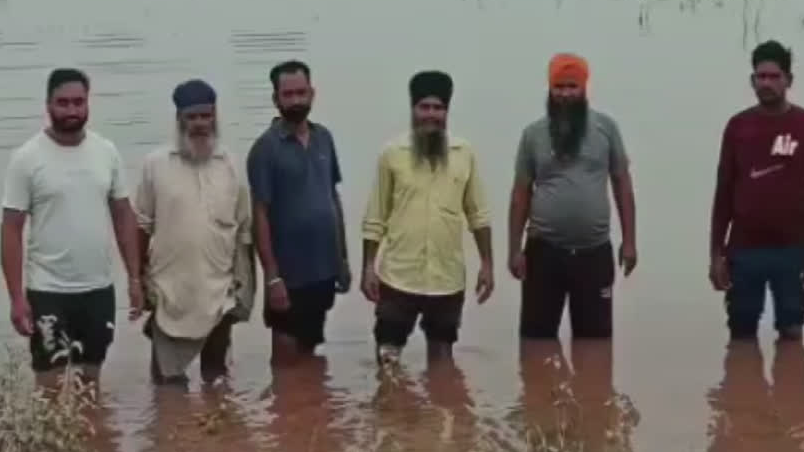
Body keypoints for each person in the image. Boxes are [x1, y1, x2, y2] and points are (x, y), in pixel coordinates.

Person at [0, 68, 142, 376]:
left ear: (88, 103)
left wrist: (134, 278)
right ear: (48, 105)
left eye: (79, 102)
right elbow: (11, 229)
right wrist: (16, 298)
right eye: (63, 103)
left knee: (91, 384)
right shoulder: (27, 158)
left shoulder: (106, 152)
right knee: (50, 389)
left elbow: (123, 215)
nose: (72, 110)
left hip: (98, 289)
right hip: (47, 290)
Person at [360, 70, 494, 365]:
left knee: (443, 359)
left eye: (438, 108)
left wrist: (487, 264)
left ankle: (439, 408)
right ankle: (390, 410)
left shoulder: (464, 153)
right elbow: (375, 216)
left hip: (446, 280)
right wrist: (368, 267)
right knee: (388, 358)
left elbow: (478, 215)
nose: (431, 115)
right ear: (412, 110)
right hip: (398, 277)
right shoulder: (392, 154)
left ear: (447, 111)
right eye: (424, 107)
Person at [709, 40, 804, 342]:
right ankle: (742, 387)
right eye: (760, 77)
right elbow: (723, 194)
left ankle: (790, 387)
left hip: (792, 250)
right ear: (752, 81)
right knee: (741, 334)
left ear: (788, 80)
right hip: (744, 249)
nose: (766, 83)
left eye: (774, 76)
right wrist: (716, 254)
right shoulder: (738, 127)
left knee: (792, 333)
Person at [508, 53, 637, 340]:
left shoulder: (607, 129)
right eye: (559, 87)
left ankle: (590, 387)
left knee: (595, 346)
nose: (565, 94)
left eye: (572, 87)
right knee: (536, 344)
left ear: (584, 88)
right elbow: (520, 194)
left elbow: (622, 184)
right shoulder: (533, 135)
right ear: (549, 90)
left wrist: (629, 241)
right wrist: (515, 249)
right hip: (543, 252)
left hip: (594, 252)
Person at [134, 79, 255, 385]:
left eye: (206, 115)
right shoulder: (156, 165)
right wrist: (137, 279)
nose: (200, 124)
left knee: (217, 380)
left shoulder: (231, 165)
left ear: (215, 116)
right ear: (179, 119)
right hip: (169, 292)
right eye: (192, 117)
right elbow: (141, 225)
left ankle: (208, 432)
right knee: (166, 385)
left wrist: (246, 288)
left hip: (219, 292)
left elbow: (244, 231)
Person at [246, 60, 350, 366]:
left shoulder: (324, 139)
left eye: (301, 93)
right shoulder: (265, 149)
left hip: (323, 270)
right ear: (275, 99)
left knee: (311, 355)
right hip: (288, 276)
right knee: (286, 361)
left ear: (312, 94)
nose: (295, 101)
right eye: (288, 94)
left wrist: (342, 259)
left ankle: (307, 412)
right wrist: (272, 277)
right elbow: (260, 214)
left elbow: (333, 197)